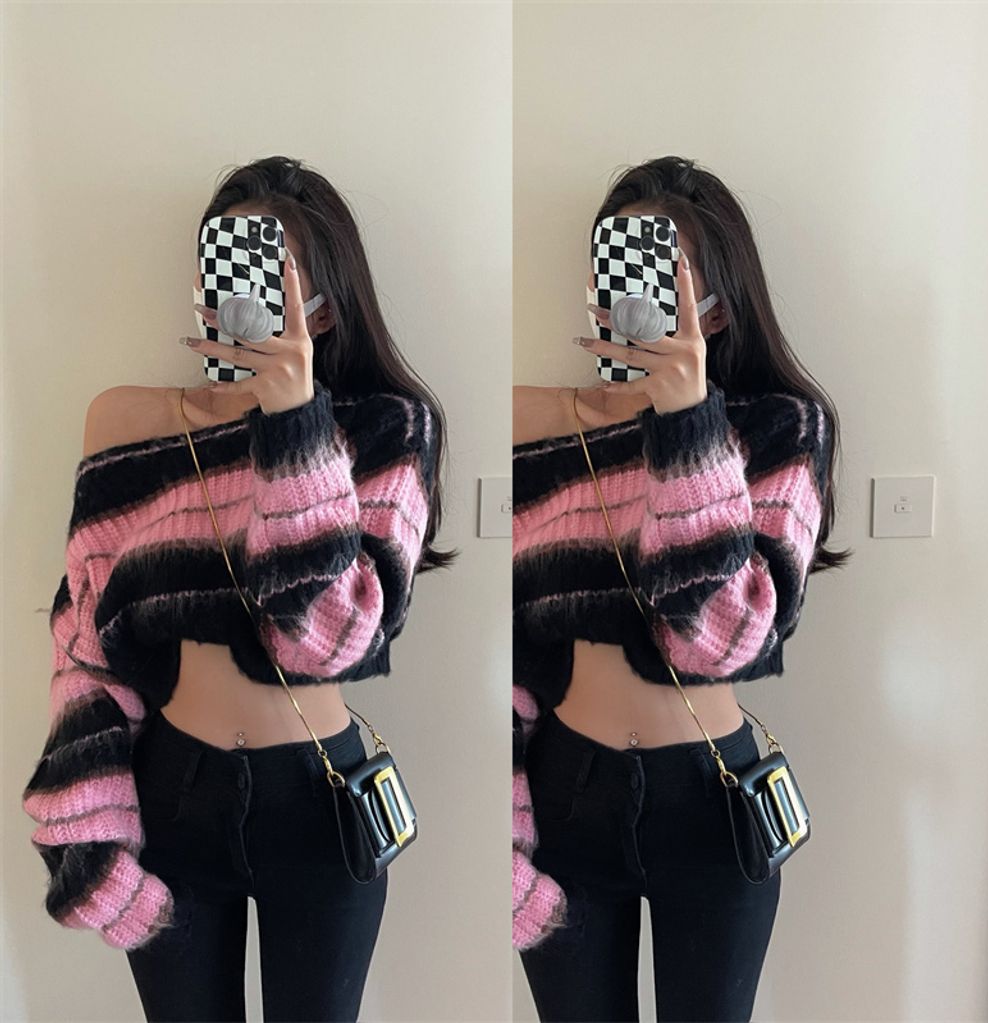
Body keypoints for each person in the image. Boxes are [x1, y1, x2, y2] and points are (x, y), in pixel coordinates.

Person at [21, 155, 453, 1023]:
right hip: (174, 789)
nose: (242, 296)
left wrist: (294, 424)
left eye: (273, 276)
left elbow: (330, 641)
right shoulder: (127, 422)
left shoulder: (385, 429)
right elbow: (87, 639)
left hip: (319, 796)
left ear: (321, 303)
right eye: (224, 265)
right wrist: (88, 827)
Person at [512, 155, 850, 1022]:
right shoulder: (538, 428)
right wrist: (503, 832)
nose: (637, 295)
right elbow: (514, 654)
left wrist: (689, 422)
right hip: (568, 791)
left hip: (713, 795)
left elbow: (725, 639)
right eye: (620, 267)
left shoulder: (781, 429)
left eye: (667, 275)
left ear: (719, 303)